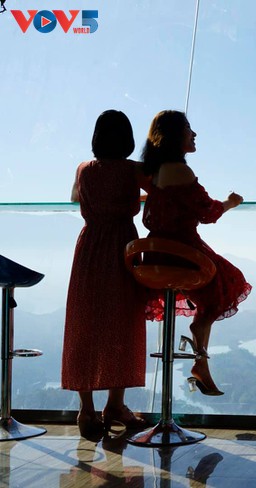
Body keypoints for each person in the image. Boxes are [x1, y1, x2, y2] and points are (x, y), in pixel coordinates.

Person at [141, 110, 252, 396]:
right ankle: (200, 346)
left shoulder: (151, 172)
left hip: (154, 255)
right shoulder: (181, 171)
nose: (194, 133)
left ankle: (201, 361)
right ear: (173, 135)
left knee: (217, 284)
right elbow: (207, 212)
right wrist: (230, 202)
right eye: (188, 128)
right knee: (230, 281)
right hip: (182, 252)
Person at [61, 110, 149, 439]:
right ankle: (115, 405)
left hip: (89, 246)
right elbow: (164, 192)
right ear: (127, 139)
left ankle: (86, 410)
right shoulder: (133, 170)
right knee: (121, 323)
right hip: (122, 247)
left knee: (85, 324)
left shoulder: (83, 169)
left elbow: (76, 197)